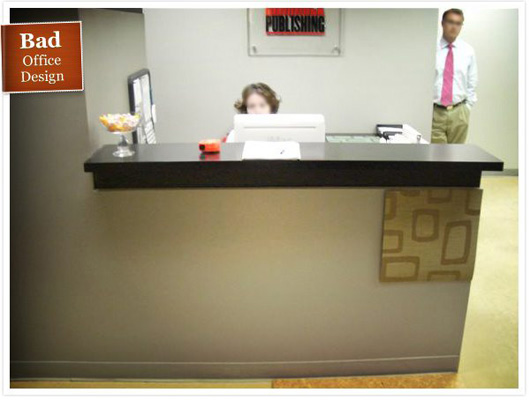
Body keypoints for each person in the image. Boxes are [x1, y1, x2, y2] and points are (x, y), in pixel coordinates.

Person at [432, 8, 478, 144]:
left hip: (459, 112)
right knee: (436, 154)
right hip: (435, 112)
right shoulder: (431, 48)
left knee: (457, 154)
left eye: (458, 23)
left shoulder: (468, 51)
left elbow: (472, 81)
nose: (454, 27)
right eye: (450, 22)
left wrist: (467, 107)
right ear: (442, 23)